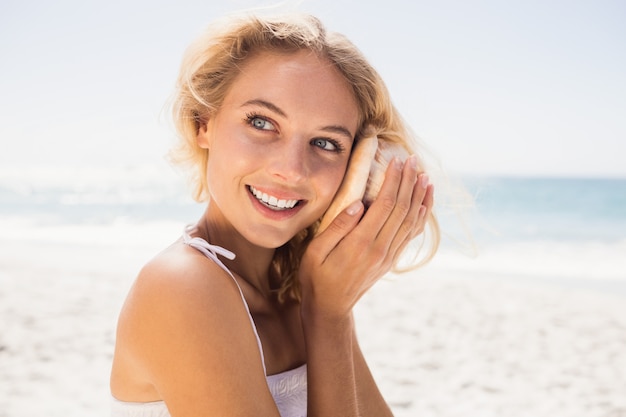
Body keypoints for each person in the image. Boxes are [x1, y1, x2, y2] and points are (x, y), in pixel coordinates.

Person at [110, 11, 439, 417]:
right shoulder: (183, 286)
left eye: (326, 143)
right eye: (261, 122)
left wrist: (329, 305)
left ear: (355, 165)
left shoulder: (296, 287)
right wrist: (327, 318)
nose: (293, 169)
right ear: (203, 123)